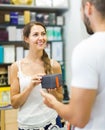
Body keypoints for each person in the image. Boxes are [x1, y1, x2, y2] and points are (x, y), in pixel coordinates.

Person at [40, 0, 105, 130]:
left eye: (80, 10)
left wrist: (53, 103)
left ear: (88, 8)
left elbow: (79, 118)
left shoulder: (88, 49)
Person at [10, 21, 63, 130]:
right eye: (35, 34)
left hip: (51, 122)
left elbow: (60, 99)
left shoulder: (54, 65)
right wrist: (30, 87)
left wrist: (52, 91)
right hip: (26, 125)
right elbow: (14, 104)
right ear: (26, 39)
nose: (41, 38)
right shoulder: (16, 67)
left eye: (43, 34)